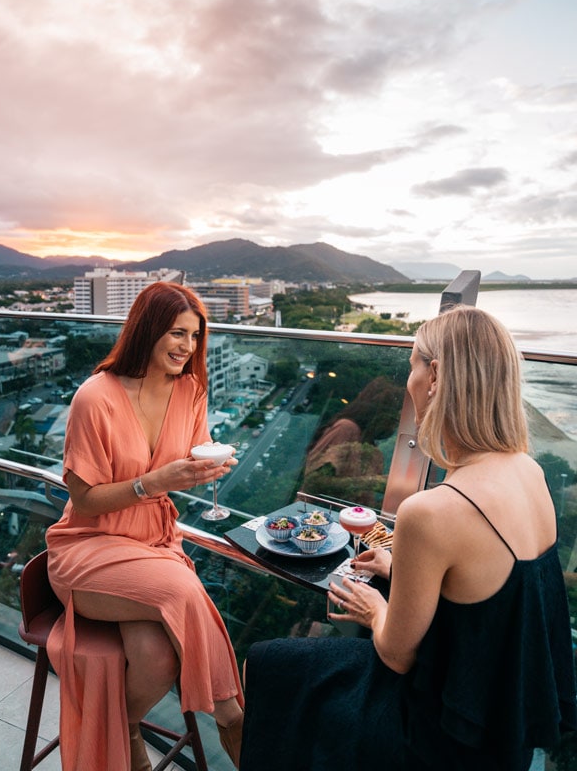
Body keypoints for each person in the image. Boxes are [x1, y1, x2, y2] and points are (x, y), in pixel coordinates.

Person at [239, 305, 577, 771]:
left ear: (434, 376)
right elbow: (487, 600)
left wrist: (374, 610)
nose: (408, 381)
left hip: (433, 734)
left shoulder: (430, 510)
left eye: (413, 364)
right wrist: (401, 567)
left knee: (266, 663)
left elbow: (396, 655)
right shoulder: (531, 472)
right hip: (496, 729)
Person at [46, 282, 244, 771]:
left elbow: (193, 454)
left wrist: (207, 468)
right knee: (182, 588)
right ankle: (231, 713)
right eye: (177, 333)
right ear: (148, 329)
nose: (187, 346)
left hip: (153, 543)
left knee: (157, 658)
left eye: (195, 336)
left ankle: (120, 730)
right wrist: (153, 482)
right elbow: (83, 500)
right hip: (88, 548)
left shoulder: (191, 391)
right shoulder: (95, 397)